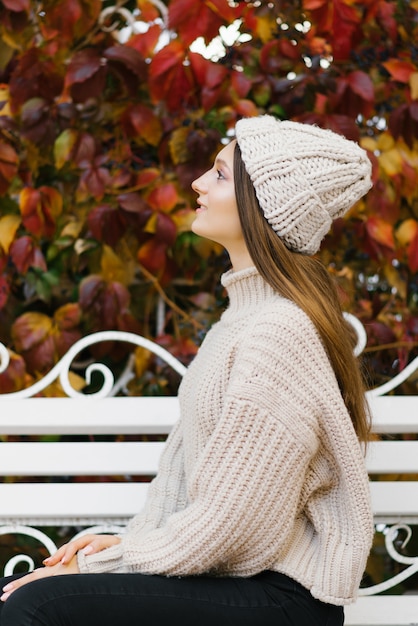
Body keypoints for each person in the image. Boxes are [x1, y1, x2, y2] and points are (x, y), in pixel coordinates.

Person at [0, 115, 374, 625]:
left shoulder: (278, 332)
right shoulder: (241, 320)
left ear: (261, 204)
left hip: (280, 600)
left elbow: (234, 527)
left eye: (219, 175)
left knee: (34, 604)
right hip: (238, 581)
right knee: (11, 592)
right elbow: (193, 487)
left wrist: (106, 561)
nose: (198, 183)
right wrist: (126, 544)